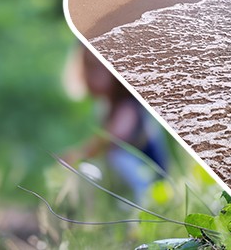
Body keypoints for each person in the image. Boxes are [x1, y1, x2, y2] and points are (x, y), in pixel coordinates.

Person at [62, 47, 169, 203]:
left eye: (97, 68)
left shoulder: (129, 105)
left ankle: (142, 205)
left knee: (115, 155)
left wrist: (80, 153)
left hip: (150, 177)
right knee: (95, 167)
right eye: (88, 67)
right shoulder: (105, 106)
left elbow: (114, 137)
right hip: (126, 177)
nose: (90, 76)